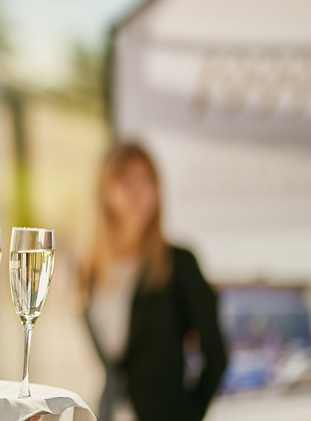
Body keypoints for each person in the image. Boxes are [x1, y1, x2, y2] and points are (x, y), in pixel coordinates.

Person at [80, 142, 227, 421]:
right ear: (105, 189)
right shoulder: (88, 270)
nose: (138, 192)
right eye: (126, 180)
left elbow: (216, 355)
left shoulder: (178, 263)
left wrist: (189, 415)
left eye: (146, 180)